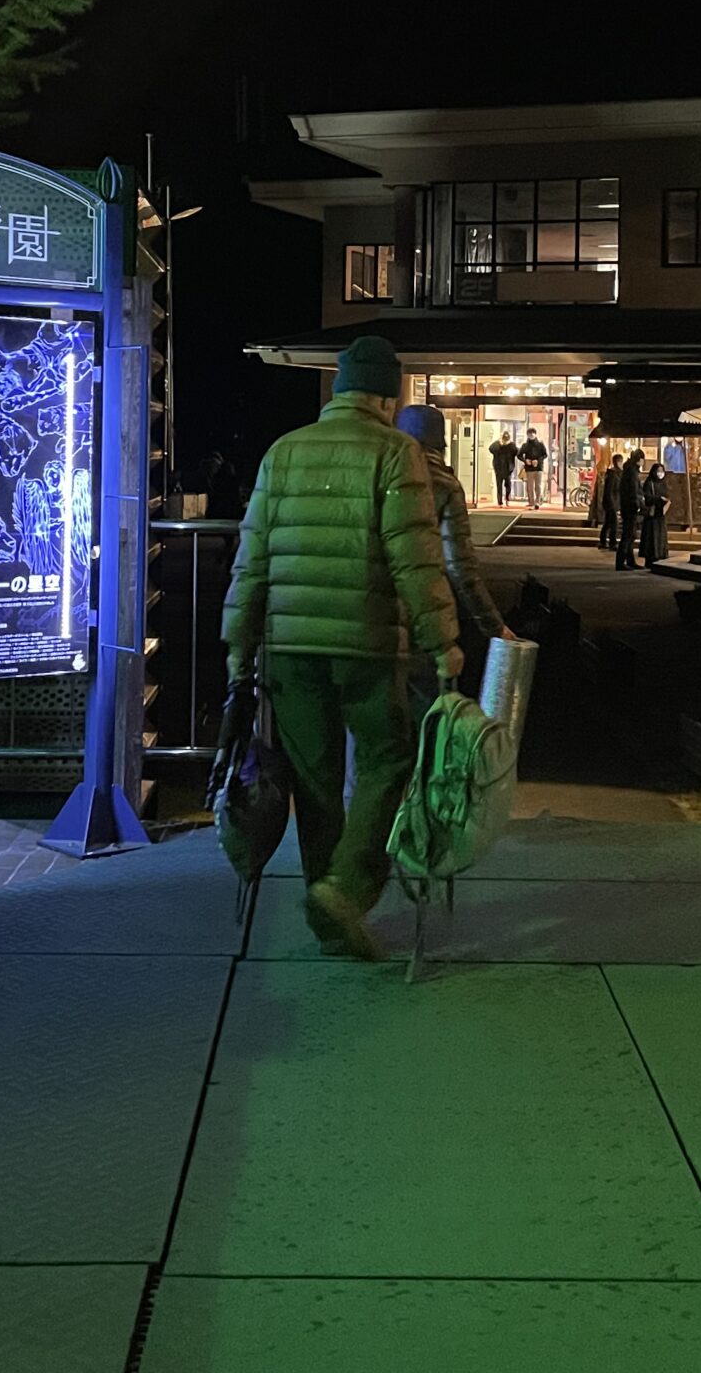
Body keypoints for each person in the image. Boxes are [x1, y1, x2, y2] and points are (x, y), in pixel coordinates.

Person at [225, 335, 460, 960]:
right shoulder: (395, 452)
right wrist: (445, 646)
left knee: (314, 779)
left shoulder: (284, 452)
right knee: (389, 759)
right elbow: (416, 560)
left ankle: (326, 904)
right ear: (390, 396)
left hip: (289, 648)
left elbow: (252, 559)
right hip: (367, 644)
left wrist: (235, 643)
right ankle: (348, 890)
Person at [396, 405, 515, 696]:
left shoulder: (379, 475)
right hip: (427, 621)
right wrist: (494, 626)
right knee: (432, 710)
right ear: (441, 441)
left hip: (373, 619)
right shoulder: (445, 485)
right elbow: (459, 566)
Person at [613, 449, 644, 571]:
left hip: (628, 506)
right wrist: (637, 504)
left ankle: (630, 560)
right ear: (639, 459)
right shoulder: (631, 472)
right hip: (630, 507)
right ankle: (621, 562)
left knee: (630, 535)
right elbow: (632, 491)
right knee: (627, 535)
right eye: (642, 459)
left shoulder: (629, 470)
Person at [640, 459, 671, 566]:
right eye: (658, 471)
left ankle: (660, 555)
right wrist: (658, 499)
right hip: (652, 515)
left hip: (660, 515)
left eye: (662, 471)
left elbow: (667, 495)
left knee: (660, 536)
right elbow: (647, 497)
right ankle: (650, 557)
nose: (660, 473)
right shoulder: (649, 482)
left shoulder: (664, 483)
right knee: (651, 537)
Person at [518, 428, 548, 507]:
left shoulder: (540, 444)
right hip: (529, 468)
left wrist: (538, 460)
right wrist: (525, 461)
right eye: (529, 433)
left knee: (538, 485)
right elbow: (519, 455)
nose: (531, 435)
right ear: (527, 435)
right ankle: (531, 502)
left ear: (535, 434)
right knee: (530, 486)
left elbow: (545, 455)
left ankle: (537, 501)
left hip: (539, 468)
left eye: (533, 433)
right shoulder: (525, 445)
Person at [489, 430, 518, 507]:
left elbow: (516, 451)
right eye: (504, 439)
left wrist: (510, 444)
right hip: (498, 468)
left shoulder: (511, 445)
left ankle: (507, 498)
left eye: (506, 439)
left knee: (508, 484)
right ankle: (500, 501)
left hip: (508, 469)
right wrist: (499, 443)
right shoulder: (497, 445)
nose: (505, 441)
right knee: (499, 485)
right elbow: (491, 449)